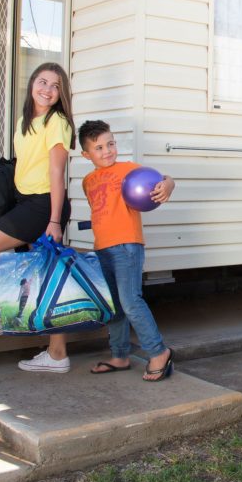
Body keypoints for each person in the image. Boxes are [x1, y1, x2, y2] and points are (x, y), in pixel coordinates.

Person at [0, 63, 76, 367]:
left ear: (61, 94)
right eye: (42, 82)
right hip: (27, 201)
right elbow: (27, 162)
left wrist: (55, 220)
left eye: (55, 85)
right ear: (32, 83)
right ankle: (57, 354)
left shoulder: (56, 121)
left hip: (44, 206)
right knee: (45, 273)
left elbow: (56, 173)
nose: (47, 90)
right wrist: (3, 172)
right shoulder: (26, 121)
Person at [77, 119, 176, 380]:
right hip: (103, 249)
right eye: (98, 148)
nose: (107, 151)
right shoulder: (88, 181)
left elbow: (162, 179)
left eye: (110, 144)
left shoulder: (129, 170)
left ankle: (158, 352)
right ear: (86, 154)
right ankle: (119, 356)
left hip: (127, 245)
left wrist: (168, 184)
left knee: (131, 301)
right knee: (114, 306)